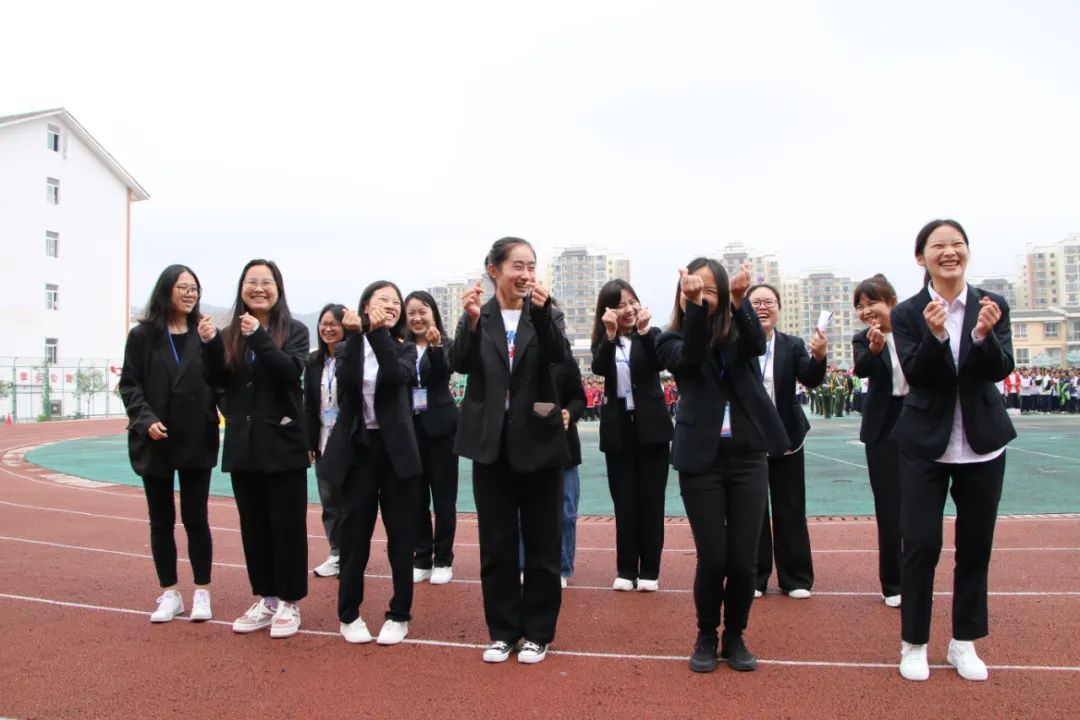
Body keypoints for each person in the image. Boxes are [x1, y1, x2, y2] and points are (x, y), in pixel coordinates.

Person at [890, 219, 1016, 682]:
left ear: (967, 252)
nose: (949, 252)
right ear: (920, 257)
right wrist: (936, 336)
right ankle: (914, 643)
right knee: (921, 545)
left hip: (982, 444)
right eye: (938, 245)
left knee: (976, 547)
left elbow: (1001, 370)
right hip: (925, 444)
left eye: (957, 244)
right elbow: (916, 375)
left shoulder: (992, 305)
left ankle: (964, 642)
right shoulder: (908, 313)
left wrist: (983, 336)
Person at [657, 259, 790, 674]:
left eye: (712, 290)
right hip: (701, 460)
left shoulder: (738, 333)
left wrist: (739, 299)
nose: (705, 296)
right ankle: (705, 635)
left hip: (747, 456)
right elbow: (692, 358)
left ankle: (735, 635)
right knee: (713, 558)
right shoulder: (669, 337)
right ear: (683, 293)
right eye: (698, 289)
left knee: (743, 561)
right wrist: (696, 306)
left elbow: (756, 345)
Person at [450, 237, 571, 665]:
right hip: (491, 445)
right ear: (494, 270)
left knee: (543, 543)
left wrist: (543, 313)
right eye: (517, 266)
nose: (525, 274)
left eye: (531, 266)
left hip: (539, 442)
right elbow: (460, 363)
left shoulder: (545, 312)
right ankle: (502, 632)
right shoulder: (478, 315)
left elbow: (558, 357)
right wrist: (469, 322)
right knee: (497, 545)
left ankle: (538, 633)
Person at [204, 259, 310, 638]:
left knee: (287, 526)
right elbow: (218, 380)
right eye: (252, 281)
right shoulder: (229, 333)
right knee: (254, 527)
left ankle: (290, 601)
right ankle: (266, 598)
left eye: (267, 282)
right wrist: (209, 345)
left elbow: (289, 372)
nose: (259, 288)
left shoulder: (295, 331)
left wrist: (259, 337)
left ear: (278, 289)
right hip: (243, 446)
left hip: (283, 444)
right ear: (242, 288)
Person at [322, 281, 422, 645]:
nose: (392, 305)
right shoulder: (347, 346)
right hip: (358, 450)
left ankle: (400, 614)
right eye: (383, 300)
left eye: (396, 302)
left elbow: (395, 376)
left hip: (396, 453)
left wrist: (378, 333)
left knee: (401, 538)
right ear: (365, 305)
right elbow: (348, 382)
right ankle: (349, 614)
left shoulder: (406, 348)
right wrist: (356, 336)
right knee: (354, 538)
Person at [119, 264, 219, 623]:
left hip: (196, 437)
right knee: (160, 521)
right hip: (155, 440)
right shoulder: (143, 335)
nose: (190, 294)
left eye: (194, 288)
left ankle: (202, 591)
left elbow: (221, 378)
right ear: (166, 290)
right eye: (183, 288)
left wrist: (213, 344)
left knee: (197, 519)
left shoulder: (205, 333)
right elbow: (129, 384)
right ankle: (170, 593)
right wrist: (145, 420)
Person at [590, 279, 673, 592]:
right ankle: (626, 569)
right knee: (624, 502)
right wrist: (611, 336)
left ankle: (650, 570)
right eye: (619, 305)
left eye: (631, 302)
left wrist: (644, 332)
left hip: (652, 428)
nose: (627, 309)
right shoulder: (604, 339)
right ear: (607, 311)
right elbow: (600, 368)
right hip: (618, 429)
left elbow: (660, 363)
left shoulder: (652, 334)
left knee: (652, 501)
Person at [745, 283, 827, 599]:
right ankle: (754, 577)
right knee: (752, 509)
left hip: (788, 437)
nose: (762, 308)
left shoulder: (791, 345)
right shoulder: (738, 345)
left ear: (779, 308)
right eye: (756, 302)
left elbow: (810, 378)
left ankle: (796, 578)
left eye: (769, 302)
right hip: (750, 438)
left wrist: (819, 356)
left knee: (790, 507)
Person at [851, 274, 906, 609]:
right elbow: (861, 369)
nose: (866, 311)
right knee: (889, 507)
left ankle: (918, 579)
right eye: (860, 306)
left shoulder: (914, 331)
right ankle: (893, 583)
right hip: (883, 427)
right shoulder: (862, 339)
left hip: (919, 420)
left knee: (921, 507)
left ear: (892, 303)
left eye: (872, 303)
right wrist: (875, 349)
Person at [404, 290, 460, 586]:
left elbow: (441, 374)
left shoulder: (446, 344)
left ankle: (443, 559)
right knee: (415, 499)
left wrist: (436, 347)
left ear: (434, 314)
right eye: (411, 313)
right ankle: (422, 557)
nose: (417, 318)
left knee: (444, 499)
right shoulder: (400, 347)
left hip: (441, 431)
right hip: (410, 432)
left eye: (422, 311)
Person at [304, 303, 348, 578]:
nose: (328, 329)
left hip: (348, 442)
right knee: (329, 502)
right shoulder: (314, 361)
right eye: (324, 323)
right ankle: (336, 553)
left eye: (334, 324)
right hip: (322, 440)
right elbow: (309, 404)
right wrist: (309, 442)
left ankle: (353, 553)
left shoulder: (352, 357)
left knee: (351, 502)